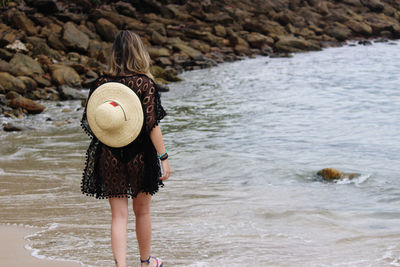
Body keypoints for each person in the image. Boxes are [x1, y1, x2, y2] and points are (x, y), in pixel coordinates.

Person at [81, 30, 171, 267]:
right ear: (138, 52)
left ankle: (120, 266)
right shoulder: (144, 82)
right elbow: (152, 124)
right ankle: (146, 262)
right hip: (140, 155)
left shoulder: (101, 83)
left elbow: (93, 122)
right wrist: (164, 157)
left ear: (115, 55)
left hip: (109, 154)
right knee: (142, 212)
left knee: (118, 216)